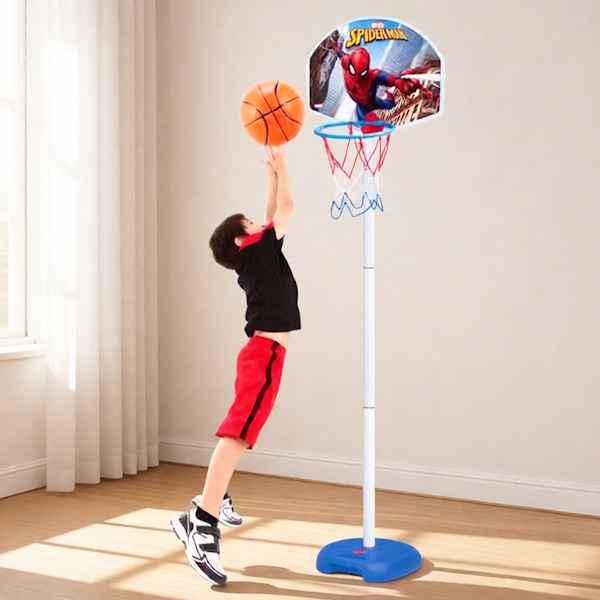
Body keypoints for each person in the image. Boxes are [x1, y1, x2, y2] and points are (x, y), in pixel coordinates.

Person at [169, 146, 301, 586]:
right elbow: (286, 208)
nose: (259, 224)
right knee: (236, 436)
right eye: (250, 224)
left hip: (264, 355)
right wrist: (285, 166)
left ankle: (206, 503)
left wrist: (271, 174)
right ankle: (201, 522)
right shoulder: (259, 253)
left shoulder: (256, 255)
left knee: (239, 435)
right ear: (244, 240)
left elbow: (271, 214)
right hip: (263, 355)